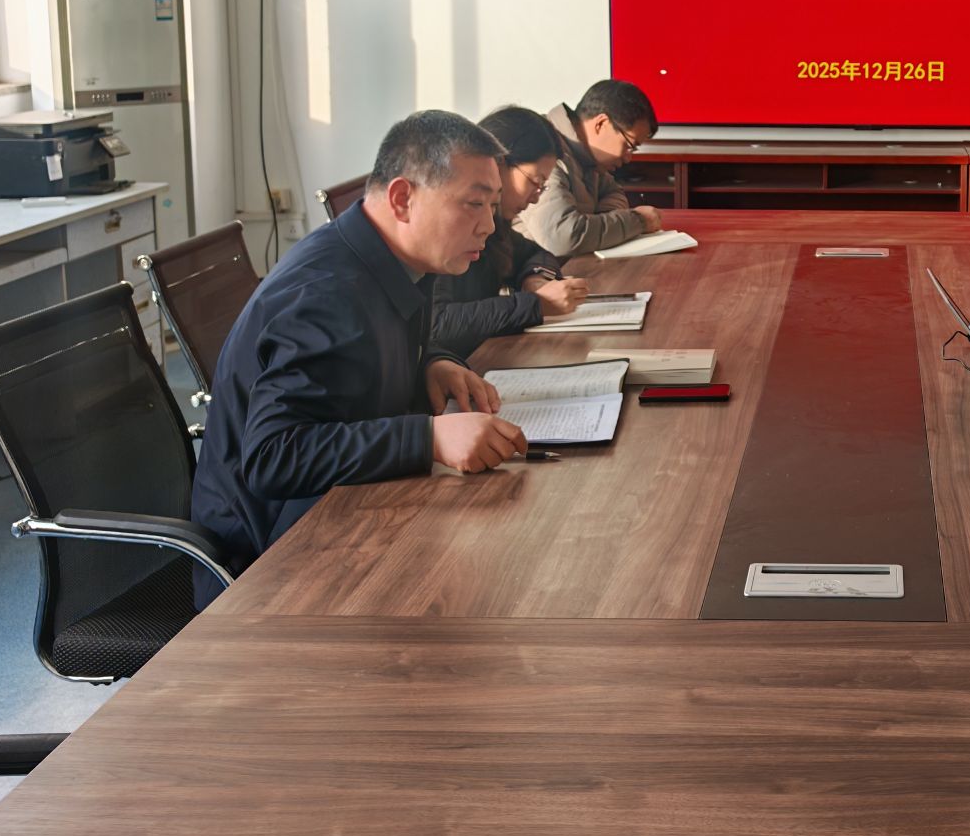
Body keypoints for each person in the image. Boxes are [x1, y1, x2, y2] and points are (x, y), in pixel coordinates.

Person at [189, 111, 530, 606]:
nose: (488, 225)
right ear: (402, 199)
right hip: (271, 572)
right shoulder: (324, 294)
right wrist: (429, 437)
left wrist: (432, 361)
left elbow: (356, 362)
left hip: (350, 515)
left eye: (493, 205)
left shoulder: (395, 258)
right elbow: (272, 456)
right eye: (474, 204)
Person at [430, 105, 591, 357]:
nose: (536, 198)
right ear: (498, 164)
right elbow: (438, 324)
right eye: (535, 182)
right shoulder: (442, 224)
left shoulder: (495, 225)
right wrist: (536, 305)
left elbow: (535, 253)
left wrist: (535, 279)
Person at [523, 79, 663, 259]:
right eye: (629, 146)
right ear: (601, 124)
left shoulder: (589, 158)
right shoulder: (543, 152)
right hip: (533, 272)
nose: (628, 158)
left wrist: (601, 224)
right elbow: (562, 237)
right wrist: (638, 221)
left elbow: (614, 192)